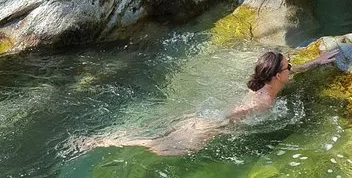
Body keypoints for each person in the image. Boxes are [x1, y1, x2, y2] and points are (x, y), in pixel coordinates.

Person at [84, 49, 338, 156]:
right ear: (276, 76)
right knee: (160, 148)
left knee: (161, 137)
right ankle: (105, 142)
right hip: (208, 126)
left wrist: (317, 61)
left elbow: (294, 70)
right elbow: (236, 113)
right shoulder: (262, 102)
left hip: (203, 118)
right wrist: (212, 126)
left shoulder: (267, 83)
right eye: (287, 66)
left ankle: (109, 139)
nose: (291, 67)